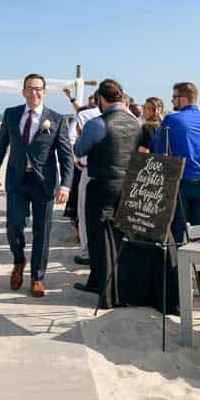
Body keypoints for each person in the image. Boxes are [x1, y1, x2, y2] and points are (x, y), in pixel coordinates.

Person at [0, 74, 74, 298]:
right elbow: (0, 146)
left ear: (44, 92)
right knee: (13, 226)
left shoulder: (56, 119)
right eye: (30, 88)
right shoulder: (11, 114)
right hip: (17, 180)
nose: (34, 93)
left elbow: (66, 156)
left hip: (44, 184)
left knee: (42, 232)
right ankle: (19, 261)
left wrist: (65, 185)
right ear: (23, 91)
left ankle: (37, 277)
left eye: (38, 89)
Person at [71, 79, 141, 308]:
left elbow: (79, 150)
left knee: (99, 238)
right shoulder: (134, 122)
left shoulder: (97, 124)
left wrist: (82, 137)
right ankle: (107, 282)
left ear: (101, 98)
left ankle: (107, 290)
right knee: (121, 236)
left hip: (102, 184)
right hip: (129, 184)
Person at [153, 82, 200, 288]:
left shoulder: (172, 119)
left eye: (173, 98)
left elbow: (158, 148)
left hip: (181, 180)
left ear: (183, 99)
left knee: (178, 231)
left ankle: (177, 280)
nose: (172, 101)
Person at [70, 94, 101, 267]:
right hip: (120, 173)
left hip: (89, 170)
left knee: (84, 212)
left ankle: (87, 251)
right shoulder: (129, 116)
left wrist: (77, 159)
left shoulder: (84, 116)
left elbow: (71, 138)